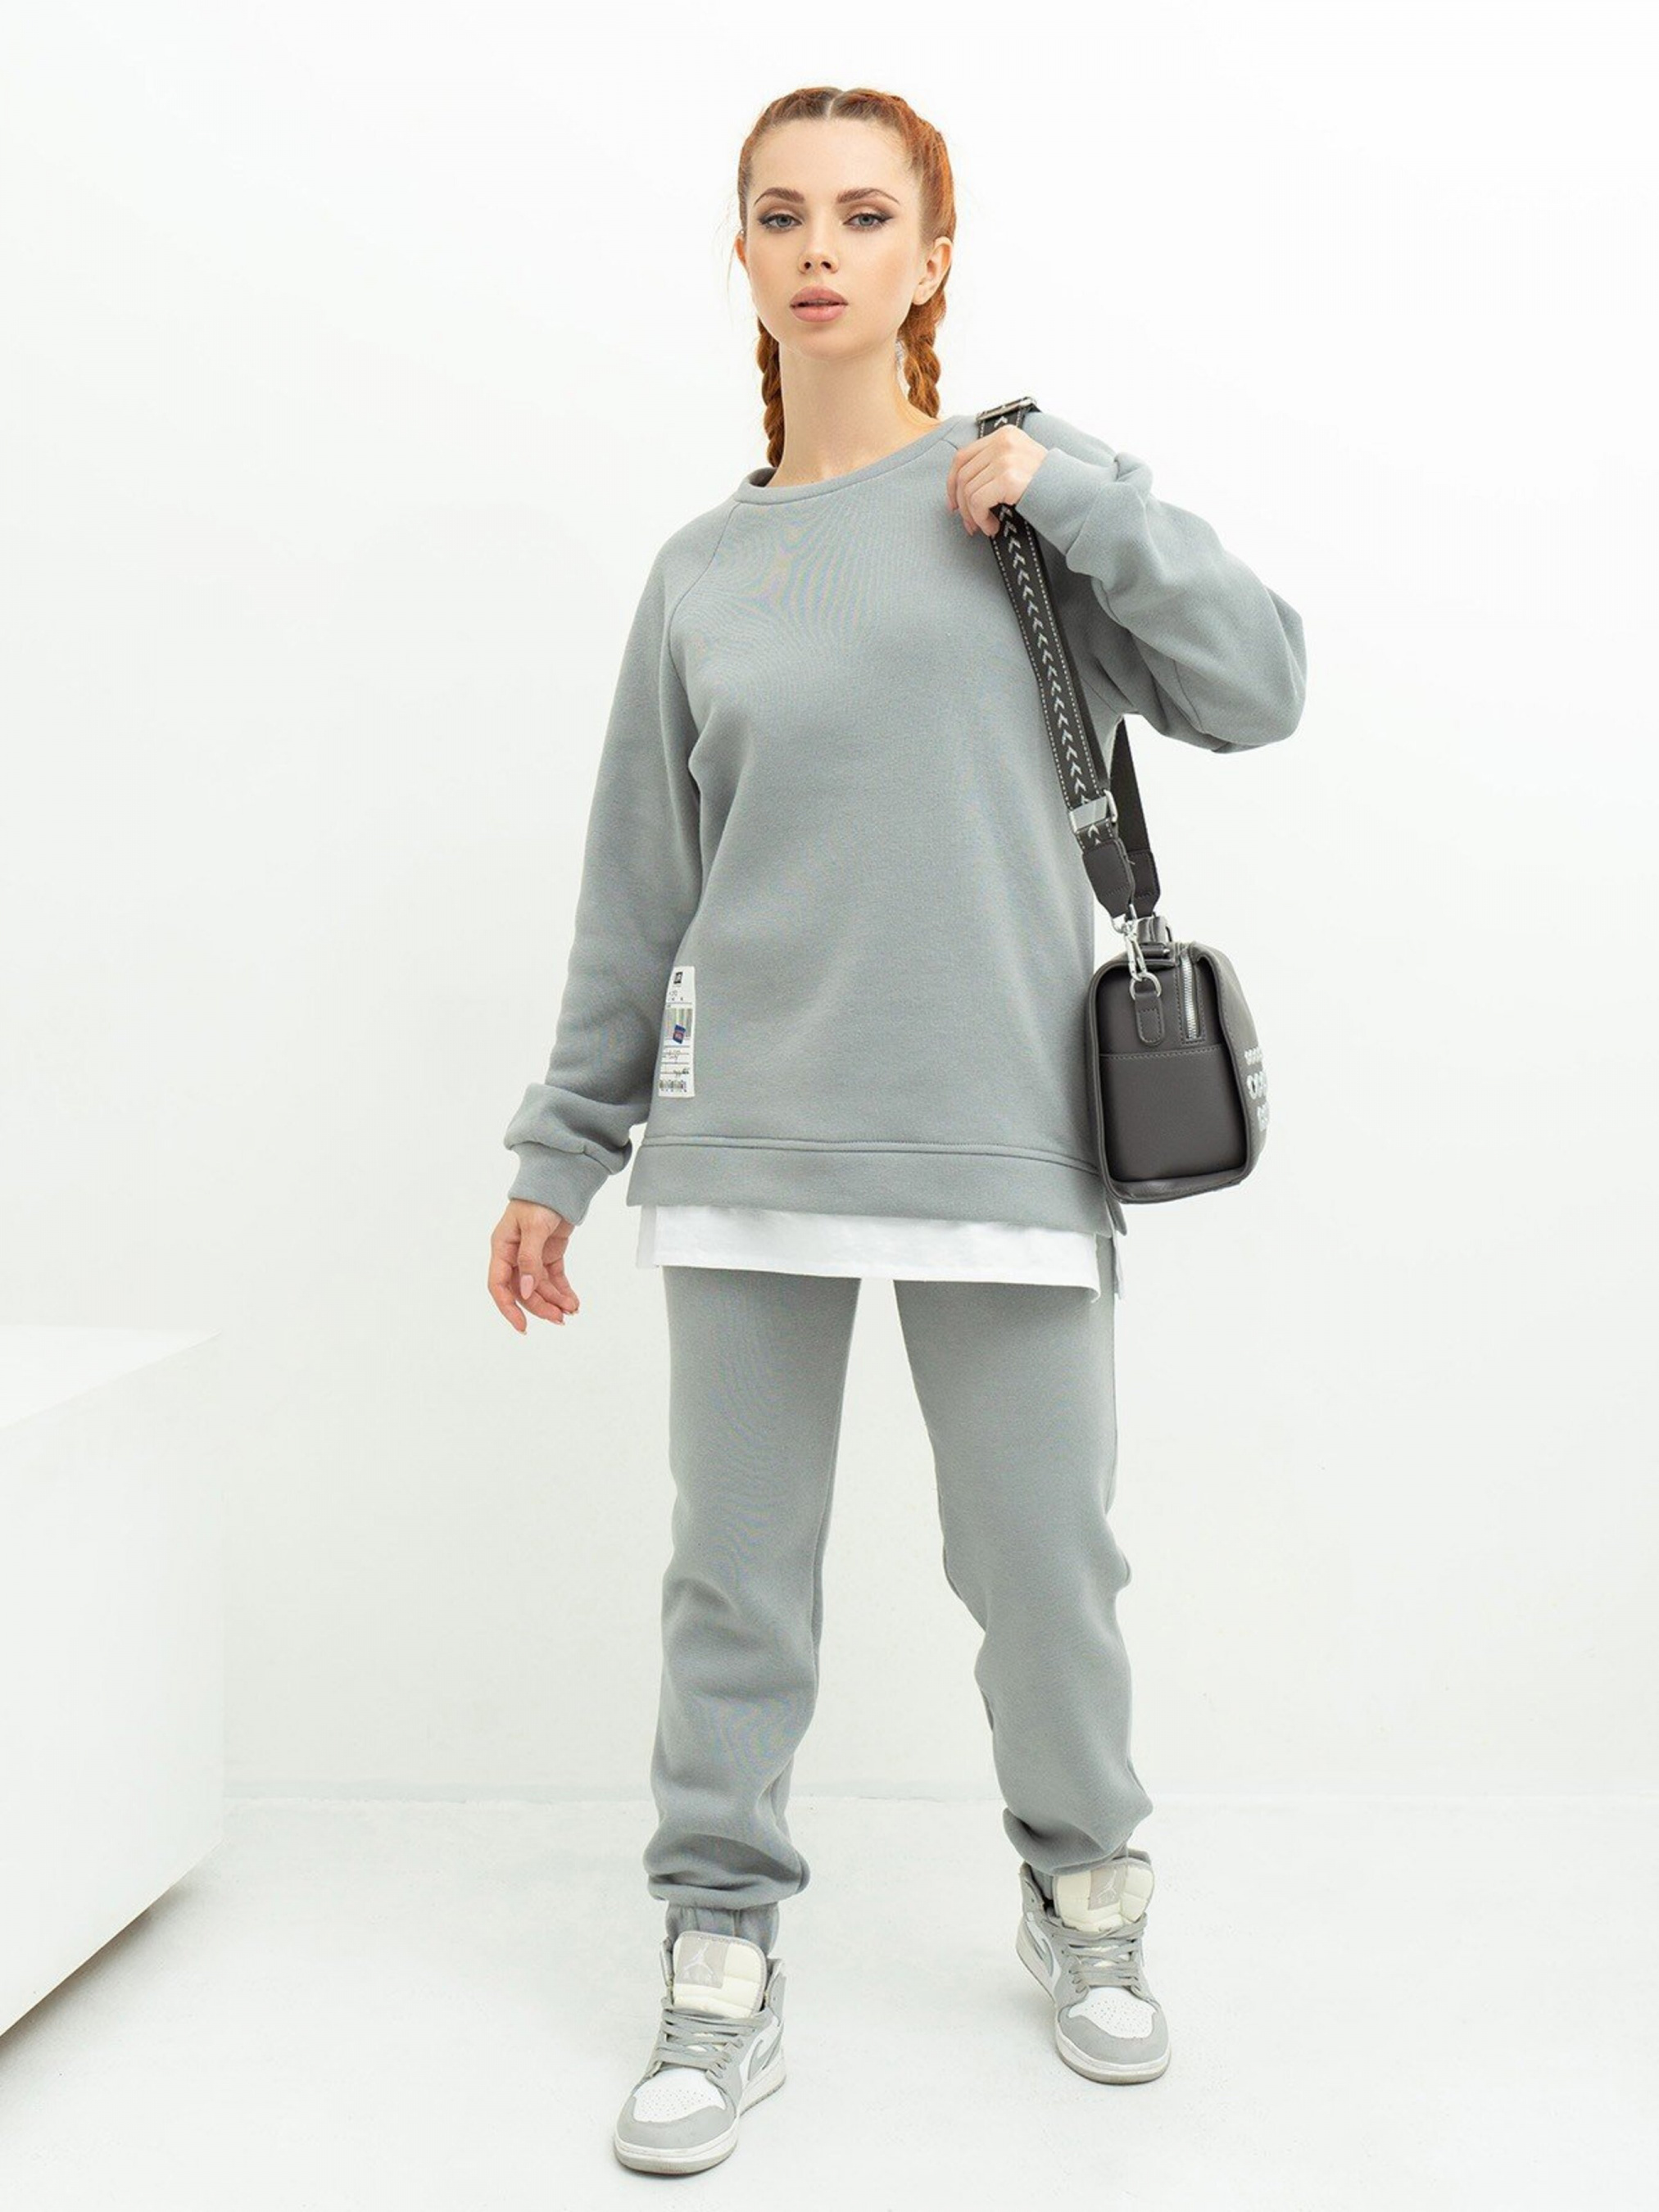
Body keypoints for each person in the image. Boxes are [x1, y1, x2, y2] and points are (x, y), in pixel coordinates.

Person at [487, 84, 1307, 2178]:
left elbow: (1256, 685)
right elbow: (638, 888)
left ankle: (1085, 1889)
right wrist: (560, 1148)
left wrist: (1081, 500)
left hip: (996, 1132)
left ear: (931, 258)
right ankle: (718, 1944)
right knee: (734, 1582)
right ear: (743, 258)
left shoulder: (1024, 495)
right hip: (744, 1130)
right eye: (781, 216)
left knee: (1039, 1565)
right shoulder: (699, 572)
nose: (820, 250)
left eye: (864, 216)